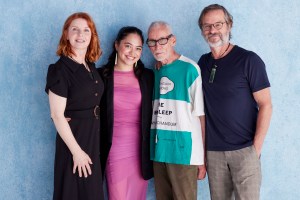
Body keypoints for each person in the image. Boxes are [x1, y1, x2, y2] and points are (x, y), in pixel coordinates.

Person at [197, 4, 273, 200]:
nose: (212, 30)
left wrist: (255, 150)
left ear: (229, 25)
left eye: (218, 24)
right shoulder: (202, 63)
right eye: (207, 26)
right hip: (213, 153)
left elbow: (266, 105)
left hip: (245, 151)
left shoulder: (249, 60)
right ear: (202, 30)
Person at [45, 12, 104, 200]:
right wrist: (77, 152)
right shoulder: (60, 70)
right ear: (66, 35)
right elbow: (57, 114)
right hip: (74, 141)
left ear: (92, 36)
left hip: (93, 138)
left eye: (86, 30)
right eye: (75, 30)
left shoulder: (91, 66)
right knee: (72, 192)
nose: (81, 35)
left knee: (91, 193)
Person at [147, 21, 206, 200]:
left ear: (173, 40)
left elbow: (201, 116)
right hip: (159, 152)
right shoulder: (155, 70)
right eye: (151, 42)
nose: (157, 46)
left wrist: (201, 159)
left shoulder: (190, 69)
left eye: (162, 40)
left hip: (183, 153)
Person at [97, 26, 154, 200]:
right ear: (116, 45)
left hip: (140, 150)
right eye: (128, 46)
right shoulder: (101, 76)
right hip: (114, 149)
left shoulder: (147, 76)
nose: (132, 52)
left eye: (138, 48)